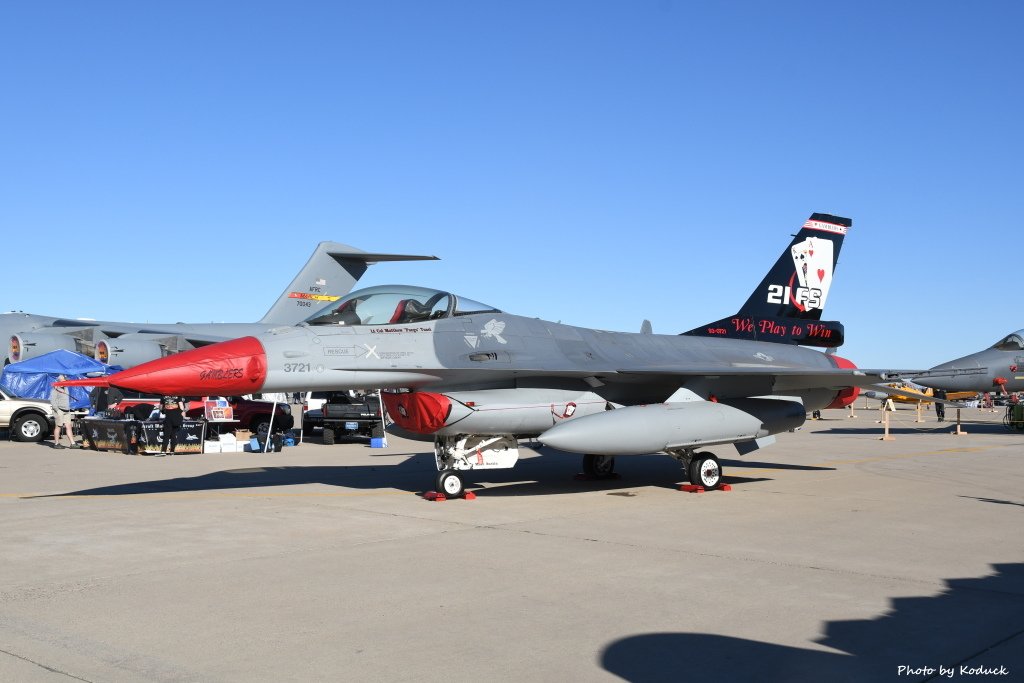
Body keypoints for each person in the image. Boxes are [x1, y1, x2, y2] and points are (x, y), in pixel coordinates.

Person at [49, 376, 77, 449]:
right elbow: (52, 401)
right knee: (58, 427)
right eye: (65, 380)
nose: (67, 382)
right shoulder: (55, 390)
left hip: (67, 410)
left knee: (69, 426)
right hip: (59, 410)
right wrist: (57, 410)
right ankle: (56, 443)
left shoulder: (66, 388)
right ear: (61, 381)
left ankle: (72, 443)